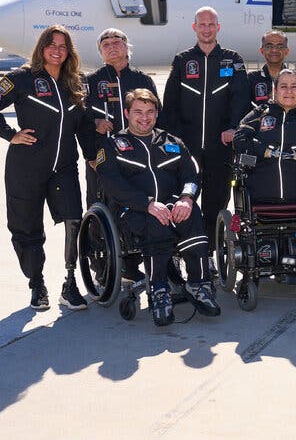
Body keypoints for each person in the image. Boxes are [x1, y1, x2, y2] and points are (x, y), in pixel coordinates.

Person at [0, 25, 92, 311]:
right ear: (41, 48)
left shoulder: (75, 82)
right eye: (51, 44)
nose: (57, 50)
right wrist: (9, 133)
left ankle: (70, 281)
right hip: (25, 167)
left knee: (73, 221)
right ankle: (37, 284)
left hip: (63, 166)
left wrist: (94, 154)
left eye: (63, 46)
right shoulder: (21, 79)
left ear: (69, 52)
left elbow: (84, 127)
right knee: (26, 227)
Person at [94, 89, 221, 326]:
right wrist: (148, 204)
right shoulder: (113, 146)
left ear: (156, 113)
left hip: (173, 206)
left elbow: (192, 175)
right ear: (127, 113)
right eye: (138, 112)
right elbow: (112, 183)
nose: (145, 117)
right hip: (133, 211)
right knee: (157, 220)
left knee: (191, 213)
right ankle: (159, 289)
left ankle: (198, 284)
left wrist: (186, 198)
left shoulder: (173, 142)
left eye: (150, 112)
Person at [161, 7, 250, 257]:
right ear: (194, 27)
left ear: (218, 27)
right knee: (182, 200)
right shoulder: (183, 60)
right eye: (202, 25)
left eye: (211, 24)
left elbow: (240, 98)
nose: (207, 29)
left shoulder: (233, 60)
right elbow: (171, 103)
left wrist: (234, 127)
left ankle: (209, 254)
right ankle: (180, 252)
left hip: (219, 147)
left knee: (215, 203)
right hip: (187, 148)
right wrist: (174, 138)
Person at [83, 28, 159, 208]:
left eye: (117, 42)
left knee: (141, 202)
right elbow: (80, 122)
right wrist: (94, 127)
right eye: (106, 45)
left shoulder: (143, 80)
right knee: (101, 206)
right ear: (101, 52)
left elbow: (159, 117)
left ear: (126, 47)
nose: (112, 47)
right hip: (102, 157)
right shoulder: (90, 82)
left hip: (139, 155)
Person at [234, 69, 296, 203]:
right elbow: (239, 140)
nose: (289, 91)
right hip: (260, 195)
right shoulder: (259, 114)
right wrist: (265, 151)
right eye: (283, 86)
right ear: (275, 90)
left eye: (294, 86)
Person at [248, 30, 296, 107]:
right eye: (269, 46)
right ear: (262, 50)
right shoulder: (251, 78)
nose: (274, 50)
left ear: (286, 51)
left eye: (280, 46)